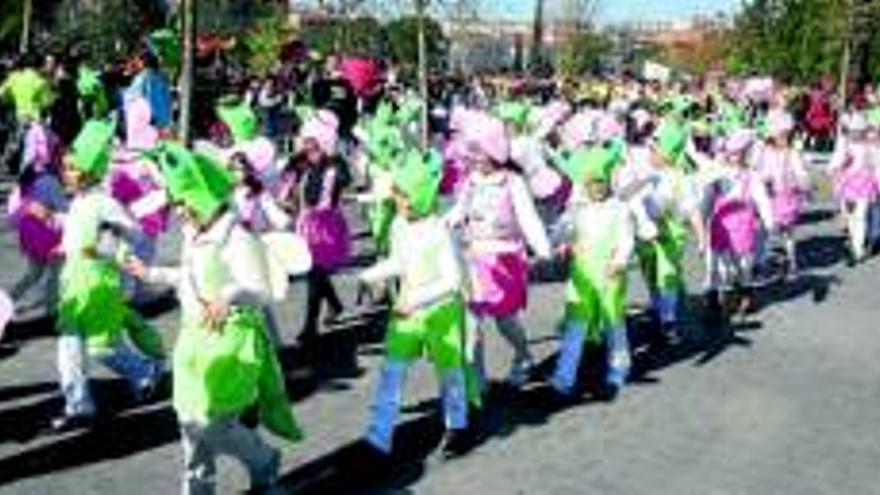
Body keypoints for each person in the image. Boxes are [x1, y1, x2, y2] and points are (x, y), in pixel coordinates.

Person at [129, 143, 300, 495]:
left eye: (183, 203)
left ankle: (264, 460)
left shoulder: (237, 237)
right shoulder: (195, 235)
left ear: (204, 199)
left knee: (210, 423)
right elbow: (189, 278)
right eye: (176, 203)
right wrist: (151, 273)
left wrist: (228, 297)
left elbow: (259, 289)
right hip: (194, 339)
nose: (178, 212)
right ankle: (198, 488)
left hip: (230, 341)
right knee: (188, 422)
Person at [359, 149, 473, 459]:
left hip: (441, 313)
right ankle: (379, 436)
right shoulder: (398, 224)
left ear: (419, 197)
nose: (396, 200)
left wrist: (416, 299)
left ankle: (457, 426)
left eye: (402, 194)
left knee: (450, 373)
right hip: (407, 312)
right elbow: (400, 261)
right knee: (392, 371)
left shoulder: (439, 230)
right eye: (396, 193)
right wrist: (370, 274)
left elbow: (451, 281)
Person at [53, 119, 165, 431]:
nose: (67, 173)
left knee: (101, 346)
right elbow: (77, 230)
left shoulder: (105, 202)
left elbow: (136, 231)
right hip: (74, 280)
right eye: (66, 167)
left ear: (89, 172)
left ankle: (144, 370)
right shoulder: (78, 201)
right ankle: (78, 404)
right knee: (68, 344)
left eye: (73, 168)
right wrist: (62, 243)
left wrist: (108, 253)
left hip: (101, 281)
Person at [446, 112, 552, 390]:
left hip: (503, 259)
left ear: (493, 151)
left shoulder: (512, 182)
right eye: (472, 151)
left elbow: (529, 219)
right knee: (471, 322)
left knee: (505, 321)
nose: (474, 157)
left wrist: (542, 248)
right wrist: (443, 224)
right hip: (472, 258)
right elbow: (459, 210)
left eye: (479, 151)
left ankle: (523, 355)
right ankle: (477, 380)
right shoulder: (470, 181)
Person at [551, 145, 635, 402]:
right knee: (575, 327)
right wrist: (562, 242)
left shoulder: (619, 208)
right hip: (582, 276)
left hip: (610, 275)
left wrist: (620, 259)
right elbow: (560, 231)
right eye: (590, 183)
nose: (596, 188)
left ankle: (617, 371)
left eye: (600, 182)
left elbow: (626, 239)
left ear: (608, 180)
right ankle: (563, 379)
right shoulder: (577, 208)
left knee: (614, 324)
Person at [279, 110, 352, 346]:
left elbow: (343, 180)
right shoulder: (300, 163)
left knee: (315, 275)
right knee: (315, 273)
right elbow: (287, 187)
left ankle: (310, 325)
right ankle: (334, 304)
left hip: (328, 227)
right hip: (306, 226)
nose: (311, 150)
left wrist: (332, 160)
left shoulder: (335, 165)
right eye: (307, 144)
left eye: (315, 145)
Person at [828, 113, 880, 265]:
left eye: (860, 130)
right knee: (850, 217)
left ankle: (858, 250)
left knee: (861, 216)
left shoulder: (870, 147)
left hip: (865, 184)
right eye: (853, 131)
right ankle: (854, 240)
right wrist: (840, 165)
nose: (856, 134)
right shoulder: (845, 146)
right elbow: (833, 165)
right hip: (848, 186)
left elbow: (877, 166)